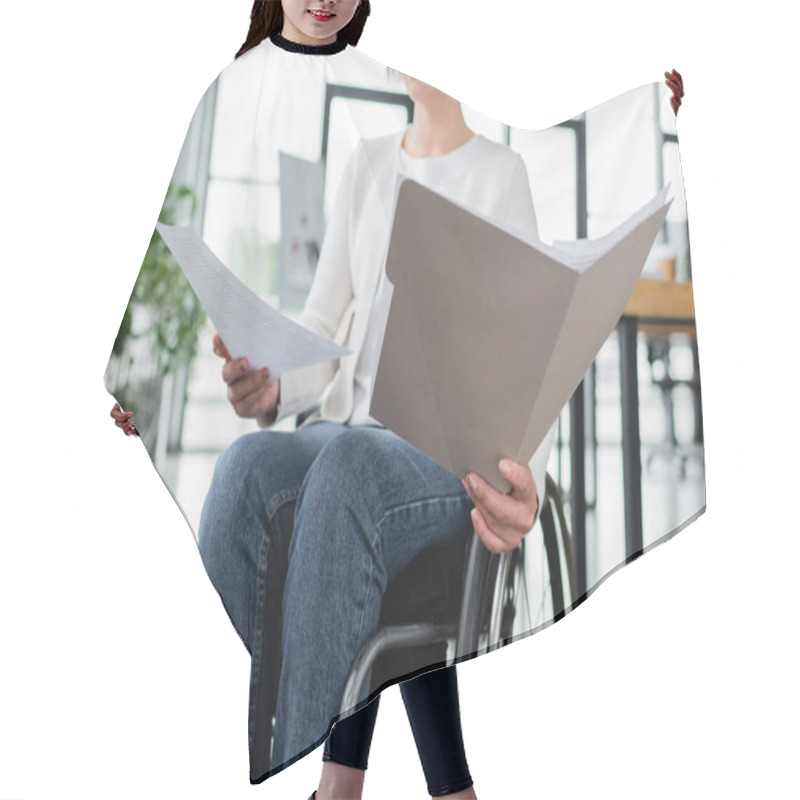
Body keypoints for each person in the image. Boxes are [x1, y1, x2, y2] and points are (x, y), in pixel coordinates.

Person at [109, 2, 685, 796]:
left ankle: (330, 783)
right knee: (244, 465)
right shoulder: (369, 165)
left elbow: (528, 339)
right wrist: (275, 380)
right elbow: (324, 325)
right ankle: (290, 751)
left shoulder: (500, 172)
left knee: (350, 467)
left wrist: (529, 480)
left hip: (443, 453)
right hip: (349, 422)